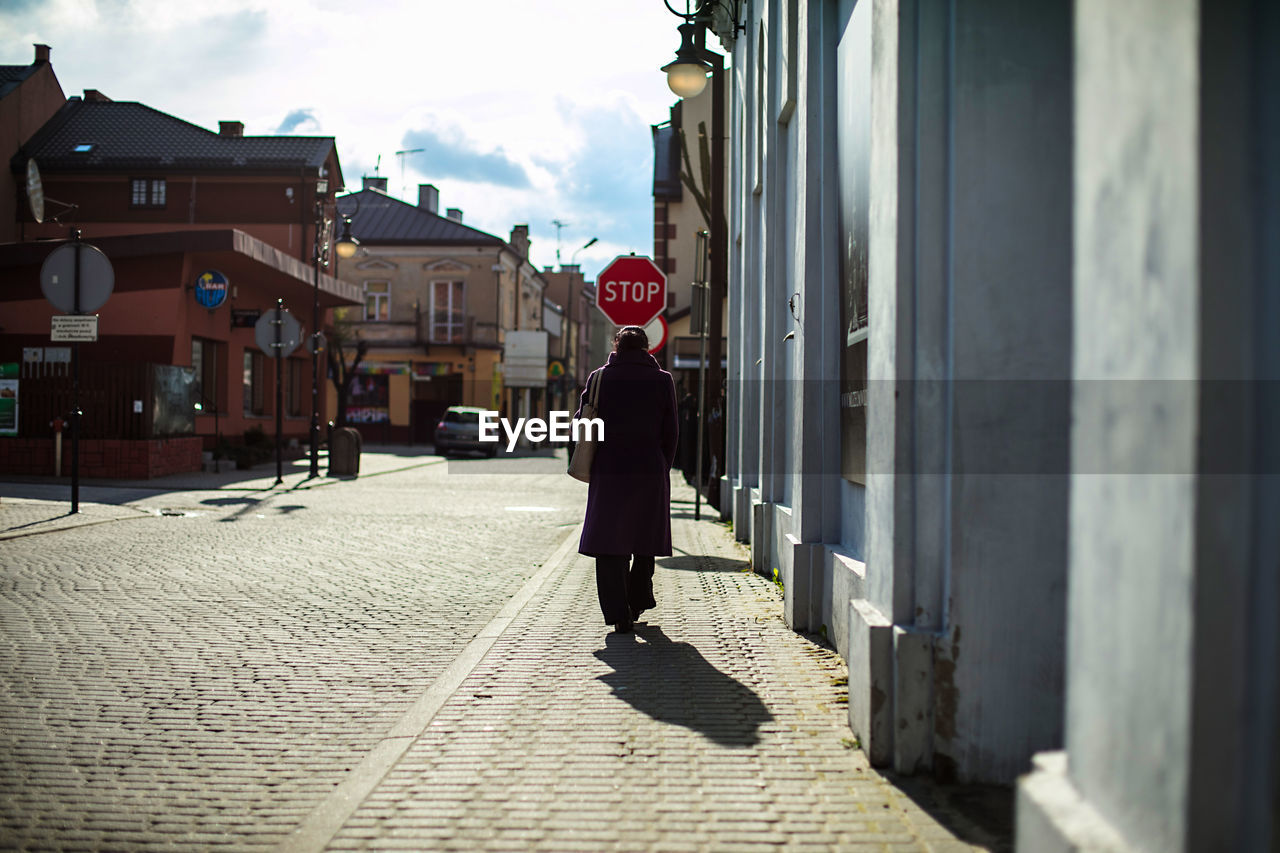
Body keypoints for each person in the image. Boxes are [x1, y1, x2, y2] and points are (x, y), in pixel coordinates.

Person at [576, 325, 678, 633]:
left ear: (616, 347)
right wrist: (663, 466)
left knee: (610, 541)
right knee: (645, 538)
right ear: (647, 348)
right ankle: (636, 601)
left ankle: (618, 613)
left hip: (608, 468)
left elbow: (583, 424)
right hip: (649, 467)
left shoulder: (599, 378)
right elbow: (671, 431)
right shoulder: (662, 380)